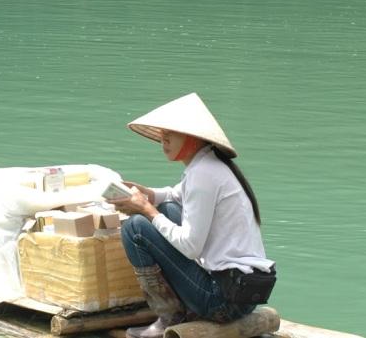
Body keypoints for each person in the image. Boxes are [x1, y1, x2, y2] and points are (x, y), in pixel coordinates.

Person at [109, 93, 276, 338]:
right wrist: (148, 194)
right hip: (241, 294)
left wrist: (145, 208)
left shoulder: (203, 174)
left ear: (191, 138)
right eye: (162, 137)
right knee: (167, 209)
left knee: (135, 227)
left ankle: (169, 317)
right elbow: (173, 195)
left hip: (222, 302)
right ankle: (178, 311)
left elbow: (190, 247)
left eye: (169, 137)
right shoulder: (208, 166)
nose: (163, 142)